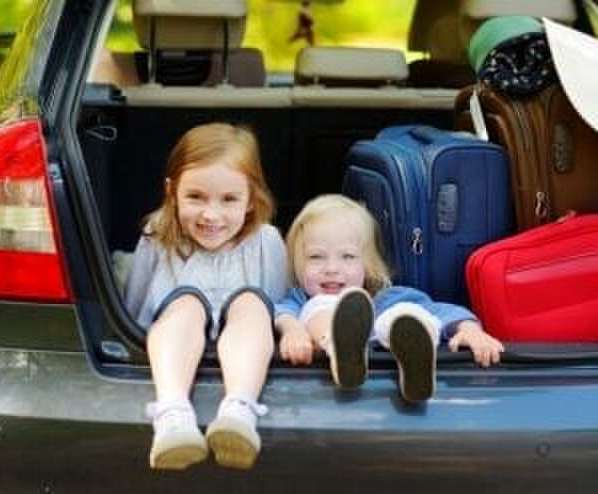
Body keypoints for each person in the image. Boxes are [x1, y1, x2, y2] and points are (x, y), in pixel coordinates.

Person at [123, 123, 288, 471]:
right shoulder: (157, 237)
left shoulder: (266, 242)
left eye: (229, 199)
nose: (211, 215)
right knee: (185, 305)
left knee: (253, 304)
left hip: (246, 352)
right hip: (172, 350)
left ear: (250, 199)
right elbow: (134, 309)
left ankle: (239, 411)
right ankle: (172, 415)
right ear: (172, 192)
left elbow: (279, 309)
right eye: (196, 197)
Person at [275, 194, 504, 403]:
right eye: (316, 257)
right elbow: (281, 314)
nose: (331, 268)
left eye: (348, 256)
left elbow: (445, 312)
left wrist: (470, 331)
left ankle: (416, 363)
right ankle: (340, 349)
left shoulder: (389, 298)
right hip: (328, 336)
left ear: (368, 264)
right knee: (321, 305)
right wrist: (293, 331)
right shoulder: (300, 300)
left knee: (405, 313)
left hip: (386, 337)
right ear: (298, 263)